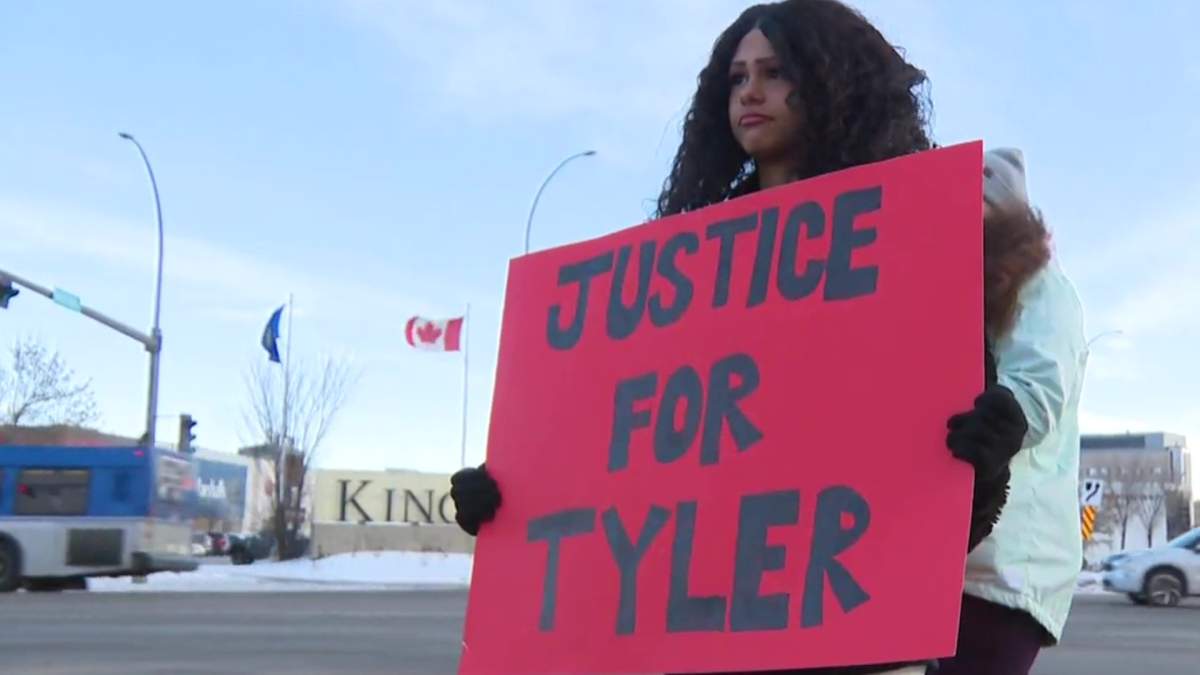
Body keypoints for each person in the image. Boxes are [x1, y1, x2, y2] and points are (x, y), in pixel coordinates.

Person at [451, 1, 1039, 673]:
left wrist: (986, 458)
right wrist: (512, 501)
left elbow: (940, 510)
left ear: (832, 81)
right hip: (706, 649)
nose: (751, 92)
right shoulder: (684, 269)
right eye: (736, 78)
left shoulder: (905, 250)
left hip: (850, 650)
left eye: (775, 72)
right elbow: (621, 453)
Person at [935, 149, 1088, 675]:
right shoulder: (945, 291)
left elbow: (1041, 379)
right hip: (941, 565)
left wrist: (1004, 417)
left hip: (1005, 568)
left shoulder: (1040, 285)